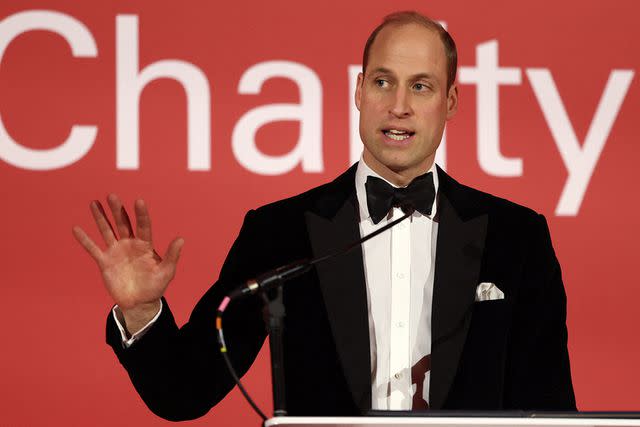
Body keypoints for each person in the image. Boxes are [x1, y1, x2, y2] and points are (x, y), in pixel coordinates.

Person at [73, 11, 576, 421]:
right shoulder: (279, 232)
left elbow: (550, 411)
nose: (398, 106)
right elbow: (183, 393)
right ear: (359, 93)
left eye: (421, 87)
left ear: (450, 102)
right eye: (383, 82)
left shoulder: (518, 238)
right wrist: (142, 311)